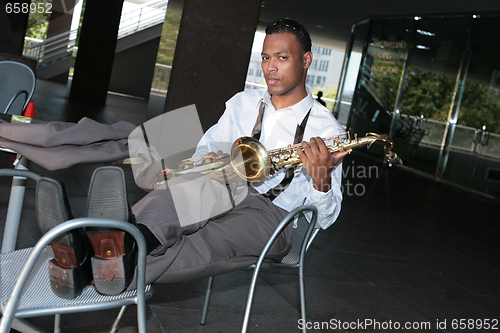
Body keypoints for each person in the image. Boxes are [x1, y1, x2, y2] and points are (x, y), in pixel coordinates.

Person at [37, 18, 348, 298]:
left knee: (203, 243)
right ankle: (125, 244)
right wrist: (206, 160)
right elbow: (206, 147)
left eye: (282, 57)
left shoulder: (326, 129)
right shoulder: (244, 103)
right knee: (182, 192)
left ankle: (95, 257)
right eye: (266, 57)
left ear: (306, 60)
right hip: (226, 185)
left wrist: (320, 182)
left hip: (274, 216)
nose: (270, 67)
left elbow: (326, 218)